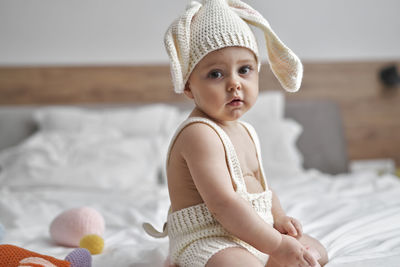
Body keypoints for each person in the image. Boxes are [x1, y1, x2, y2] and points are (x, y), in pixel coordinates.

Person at [143, 0, 328, 266]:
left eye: (244, 70)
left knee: (315, 252)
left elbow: (263, 190)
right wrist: (276, 245)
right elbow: (224, 205)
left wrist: (279, 219)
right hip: (209, 239)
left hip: (255, 234)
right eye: (216, 74)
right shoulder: (199, 134)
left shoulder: (246, 131)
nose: (234, 84)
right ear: (188, 87)